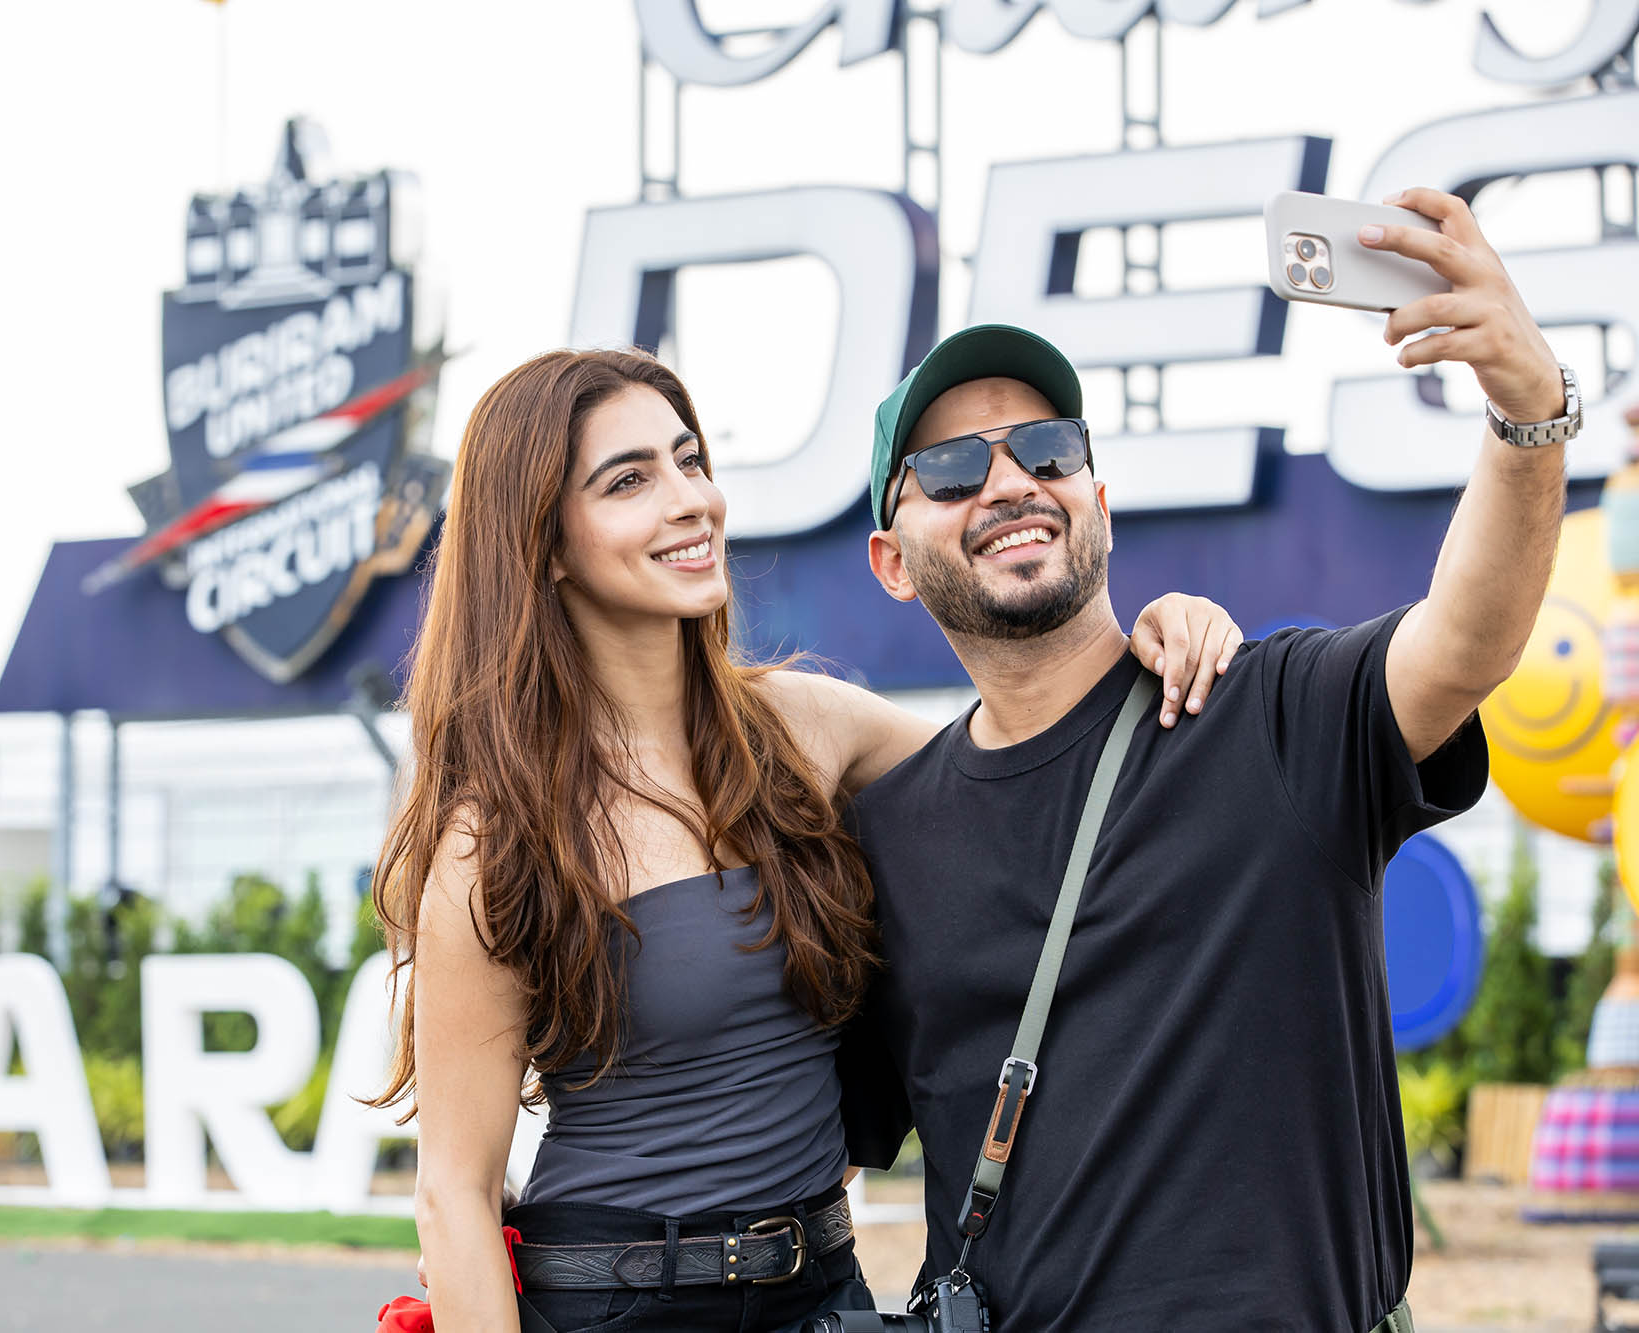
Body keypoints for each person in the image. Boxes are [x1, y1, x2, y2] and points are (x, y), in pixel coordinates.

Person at [366, 346, 1245, 1333]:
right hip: (613, 1304)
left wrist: (1155, 631)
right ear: (546, 543)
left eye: (688, 461)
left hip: (824, 1293)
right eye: (628, 481)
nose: (689, 500)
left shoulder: (805, 728)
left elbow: (1035, 773)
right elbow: (453, 1193)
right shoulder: (495, 836)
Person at [838, 187, 1575, 1331]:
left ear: (1097, 502)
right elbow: (808, 1144)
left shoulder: (1270, 713)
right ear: (891, 561)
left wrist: (1526, 411)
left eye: (1045, 448)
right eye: (947, 469)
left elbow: (1465, 641)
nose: (1008, 482)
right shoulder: (882, 842)